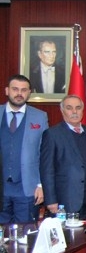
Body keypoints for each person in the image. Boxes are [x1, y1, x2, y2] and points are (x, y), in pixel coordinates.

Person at [40, 95, 86, 220]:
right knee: (65, 232)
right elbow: (47, 169)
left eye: (78, 108)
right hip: (64, 200)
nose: (74, 111)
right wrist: (50, 200)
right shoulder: (52, 134)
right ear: (62, 111)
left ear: (82, 110)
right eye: (69, 108)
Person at [0, 74, 48, 224]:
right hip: (2, 188)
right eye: (15, 89)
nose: (19, 93)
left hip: (27, 189)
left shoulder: (40, 117)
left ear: (29, 93)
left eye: (24, 90)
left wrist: (41, 185)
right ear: (7, 91)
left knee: (26, 233)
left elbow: (44, 154)